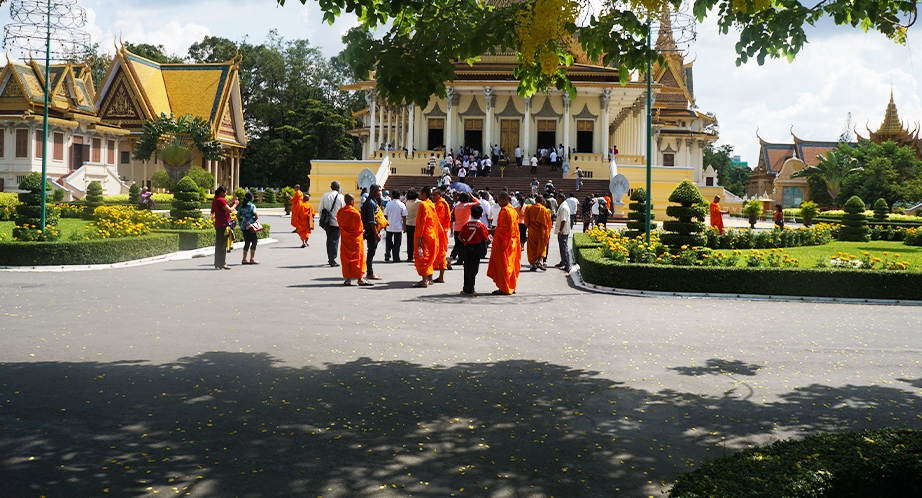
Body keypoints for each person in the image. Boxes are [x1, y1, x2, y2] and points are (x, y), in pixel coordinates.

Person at [487, 191, 522, 295]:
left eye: (499, 200)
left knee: (503, 265)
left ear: (505, 200)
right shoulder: (513, 211)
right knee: (511, 264)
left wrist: (491, 231)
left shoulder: (505, 211)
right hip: (512, 241)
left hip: (504, 242)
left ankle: (504, 288)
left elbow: (504, 228)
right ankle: (511, 286)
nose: (498, 202)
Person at [336, 193, 369, 286]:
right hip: (355, 239)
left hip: (345, 239)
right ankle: (360, 279)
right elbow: (360, 228)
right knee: (357, 258)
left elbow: (339, 224)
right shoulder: (355, 212)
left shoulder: (340, 212)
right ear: (352, 201)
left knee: (346, 258)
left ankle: (348, 279)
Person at [459, 204, 489, 296]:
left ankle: (465, 288)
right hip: (477, 248)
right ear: (481, 215)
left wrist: (465, 241)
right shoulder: (481, 225)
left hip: (467, 247)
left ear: (471, 213)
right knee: (474, 269)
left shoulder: (466, 224)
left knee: (467, 268)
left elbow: (460, 237)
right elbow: (486, 239)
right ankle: (471, 289)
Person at [413, 187, 439, 288]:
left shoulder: (423, 204)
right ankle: (429, 278)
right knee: (428, 256)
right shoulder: (431, 204)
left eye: (420, 193)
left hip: (424, 234)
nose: (419, 195)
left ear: (424, 194)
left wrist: (419, 236)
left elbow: (422, 222)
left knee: (422, 257)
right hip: (431, 234)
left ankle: (424, 281)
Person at [210, 186, 238, 270]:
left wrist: (231, 204)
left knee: (218, 244)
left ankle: (217, 262)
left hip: (218, 224)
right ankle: (222, 263)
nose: (226, 194)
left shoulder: (215, 200)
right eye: (225, 192)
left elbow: (216, 210)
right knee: (223, 244)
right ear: (222, 192)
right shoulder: (221, 200)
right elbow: (230, 210)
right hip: (223, 224)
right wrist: (235, 204)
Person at [361, 184, 384, 281]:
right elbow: (372, 220)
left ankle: (369, 271)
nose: (380, 192)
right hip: (371, 231)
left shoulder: (373, 201)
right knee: (371, 252)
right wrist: (376, 233)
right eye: (379, 190)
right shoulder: (370, 203)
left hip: (372, 230)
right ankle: (369, 272)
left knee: (371, 251)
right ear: (374, 191)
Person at [524, 195, 552, 271]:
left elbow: (526, 221)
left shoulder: (528, 208)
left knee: (532, 248)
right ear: (542, 201)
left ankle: (533, 264)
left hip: (532, 232)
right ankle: (539, 262)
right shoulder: (544, 210)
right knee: (542, 246)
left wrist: (530, 226)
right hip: (541, 232)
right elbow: (547, 223)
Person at [320, 181, 344, 267]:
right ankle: (332, 259)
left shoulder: (325, 196)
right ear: (338, 188)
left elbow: (320, 209)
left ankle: (330, 257)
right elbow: (343, 210)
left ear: (331, 187)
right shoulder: (341, 197)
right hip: (337, 222)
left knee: (329, 239)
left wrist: (322, 221)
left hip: (327, 222)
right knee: (334, 240)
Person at [432, 188, 452, 282]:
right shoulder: (440, 204)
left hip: (440, 232)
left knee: (438, 253)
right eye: (432, 195)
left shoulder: (441, 204)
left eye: (435, 195)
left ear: (440, 195)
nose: (433, 197)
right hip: (441, 231)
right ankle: (441, 277)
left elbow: (438, 219)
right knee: (442, 254)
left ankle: (430, 277)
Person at [451, 193, 476, 266]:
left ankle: (452, 259)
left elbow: (452, 215)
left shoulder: (456, 206)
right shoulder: (467, 206)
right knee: (467, 245)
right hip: (465, 228)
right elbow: (478, 203)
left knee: (457, 246)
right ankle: (466, 260)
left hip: (457, 228)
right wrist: (473, 197)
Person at [236, 192, 260, 265]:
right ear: (251, 198)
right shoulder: (251, 205)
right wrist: (254, 220)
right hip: (250, 226)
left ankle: (244, 259)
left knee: (247, 242)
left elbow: (237, 215)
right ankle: (252, 258)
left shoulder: (241, 206)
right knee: (254, 241)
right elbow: (256, 215)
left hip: (243, 225)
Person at [384, 189, 407, 262]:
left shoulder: (388, 204)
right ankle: (396, 257)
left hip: (389, 226)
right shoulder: (402, 205)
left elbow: (385, 215)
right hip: (398, 226)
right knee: (397, 243)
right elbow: (404, 216)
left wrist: (385, 225)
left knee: (388, 242)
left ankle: (387, 254)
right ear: (399, 196)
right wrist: (404, 226)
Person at [554, 193, 571, 272]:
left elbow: (563, 220)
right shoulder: (562, 206)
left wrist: (560, 230)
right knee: (561, 247)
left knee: (564, 248)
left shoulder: (564, 207)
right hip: (562, 230)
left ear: (560, 199)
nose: (557, 200)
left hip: (563, 231)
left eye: (557, 199)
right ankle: (563, 262)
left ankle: (567, 265)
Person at [404, 189, 420, 262]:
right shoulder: (419, 202)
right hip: (416, 223)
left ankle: (409, 256)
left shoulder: (407, 202)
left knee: (409, 241)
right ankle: (416, 254)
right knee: (417, 240)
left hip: (408, 223)